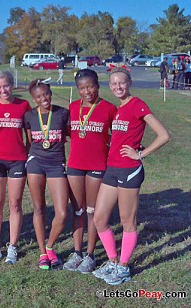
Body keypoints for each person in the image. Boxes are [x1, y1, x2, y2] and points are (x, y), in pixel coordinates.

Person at [92, 67, 170, 285]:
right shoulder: (118, 109)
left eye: (122, 83)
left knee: (128, 221)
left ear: (129, 83)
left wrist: (140, 154)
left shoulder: (137, 104)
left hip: (130, 170)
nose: (118, 87)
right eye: (114, 83)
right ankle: (113, 261)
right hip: (112, 168)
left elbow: (164, 135)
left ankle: (124, 268)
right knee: (99, 218)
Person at [63, 69, 117, 273]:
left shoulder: (109, 108)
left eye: (90, 86)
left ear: (97, 85)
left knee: (92, 211)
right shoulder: (72, 107)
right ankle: (76, 252)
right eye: (82, 88)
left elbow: (117, 134)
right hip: (75, 165)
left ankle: (90, 254)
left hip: (97, 165)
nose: (87, 91)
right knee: (77, 209)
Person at [0, 71, 31, 265]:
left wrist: (28, 157)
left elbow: (29, 137)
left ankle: (12, 246)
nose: (3, 90)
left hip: (17, 161)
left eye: (6, 86)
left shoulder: (23, 105)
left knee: (15, 204)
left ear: (12, 85)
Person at [24, 79, 70, 270]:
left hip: (56, 163)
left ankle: (50, 246)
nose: (44, 98)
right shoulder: (29, 116)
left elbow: (69, 136)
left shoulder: (62, 113)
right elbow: (29, 141)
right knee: (39, 208)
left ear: (50, 93)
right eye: (39, 96)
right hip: (36, 162)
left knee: (62, 212)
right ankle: (43, 253)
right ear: (33, 99)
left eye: (46, 94)